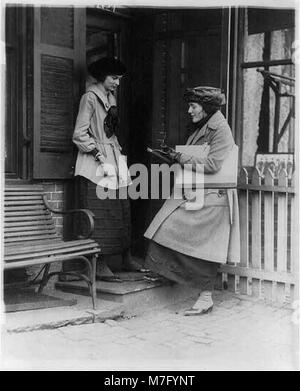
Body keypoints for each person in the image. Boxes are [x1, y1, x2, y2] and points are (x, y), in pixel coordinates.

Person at [144, 86, 240, 315]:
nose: (189, 110)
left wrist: (180, 157)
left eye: (193, 106)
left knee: (205, 249)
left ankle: (206, 298)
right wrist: (172, 157)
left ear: (205, 108)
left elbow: (213, 165)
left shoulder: (221, 130)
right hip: (200, 193)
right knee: (166, 227)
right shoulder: (205, 126)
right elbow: (196, 158)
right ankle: (165, 272)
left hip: (214, 198)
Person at [72, 57, 141, 281]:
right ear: (102, 77)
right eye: (114, 78)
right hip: (96, 162)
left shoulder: (111, 98)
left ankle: (125, 257)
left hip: (114, 157)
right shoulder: (89, 98)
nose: (117, 83)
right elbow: (79, 134)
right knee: (100, 211)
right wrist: (98, 155)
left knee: (122, 208)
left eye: (119, 79)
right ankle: (99, 263)